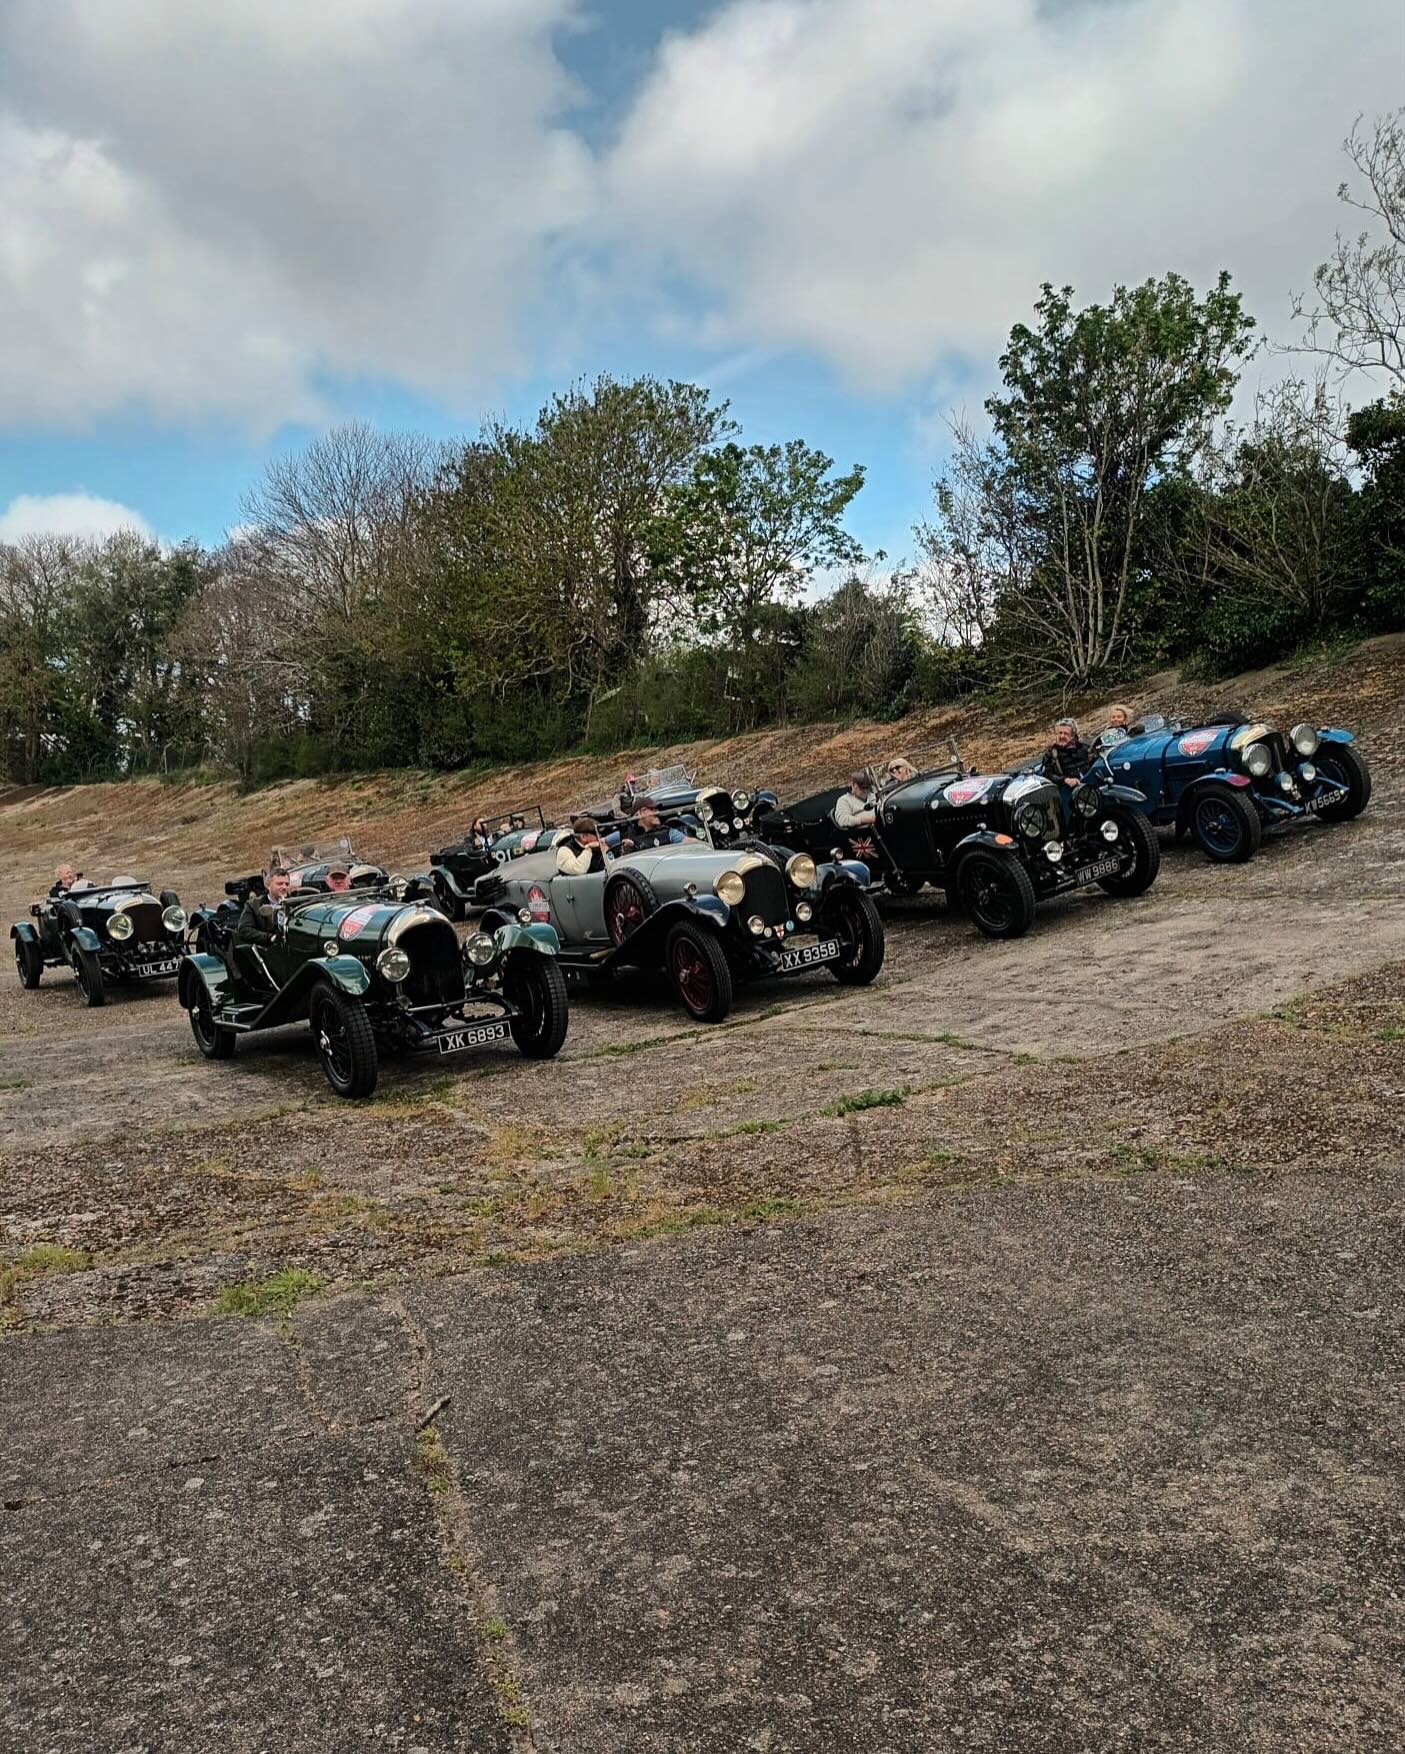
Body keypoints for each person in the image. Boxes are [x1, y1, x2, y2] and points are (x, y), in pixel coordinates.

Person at [236, 867, 290, 947]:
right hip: (269, 950)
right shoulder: (253, 905)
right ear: (268, 886)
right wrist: (270, 937)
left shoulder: (296, 902)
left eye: (287, 884)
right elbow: (244, 930)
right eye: (280, 884)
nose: (284, 887)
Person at [1041, 718, 1093, 788]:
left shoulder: (1084, 748)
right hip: (1069, 790)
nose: (1062, 736)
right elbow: (1047, 774)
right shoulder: (1051, 754)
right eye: (1060, 733)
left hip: (1090, 785)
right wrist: (1065, 780)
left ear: (1073, 735)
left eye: (1065, 733)